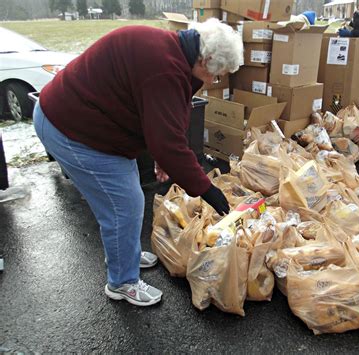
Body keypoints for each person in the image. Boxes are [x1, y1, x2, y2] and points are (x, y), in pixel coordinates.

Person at [32, 18, 243, 306]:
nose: (212, 81)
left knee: (126, 197)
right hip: (69, 127)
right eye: (217, 75)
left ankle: (124, 255)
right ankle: (122, 282)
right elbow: (167, 140)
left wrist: (163, 152)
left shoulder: (176, 52)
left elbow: (165, 117)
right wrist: (207, 189)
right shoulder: (165, 69)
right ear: (205, 59)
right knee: (124, 205)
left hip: (89, 120)